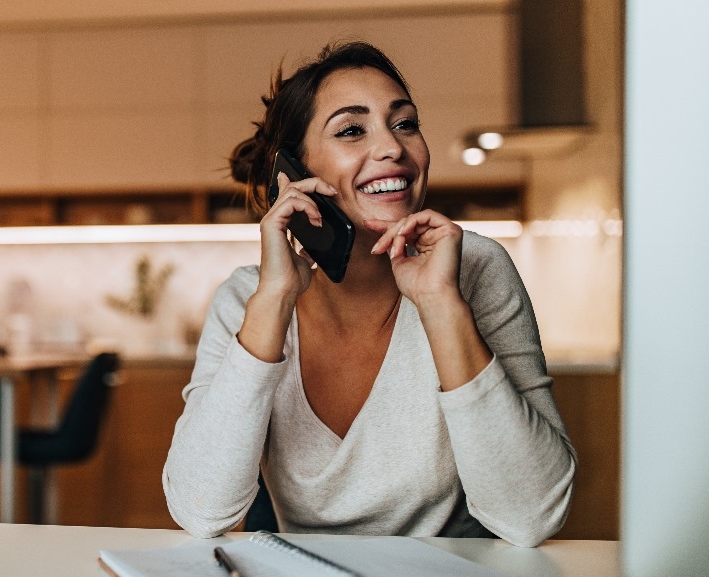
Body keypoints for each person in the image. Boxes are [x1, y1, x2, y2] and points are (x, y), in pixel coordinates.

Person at [162, 41, 575, 548]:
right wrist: (274, 298)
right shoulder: (248, 299)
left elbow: (533, 515)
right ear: (293, 173)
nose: (393, 148)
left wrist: (441, 305)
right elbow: (200, 511)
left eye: (404, 123)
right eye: (352, 130)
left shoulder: (475, 270)